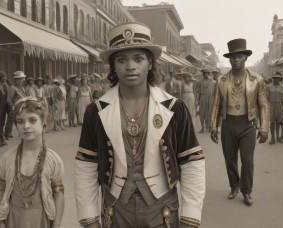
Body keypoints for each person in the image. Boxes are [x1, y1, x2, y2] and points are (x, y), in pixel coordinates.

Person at [75, 22, 205, 228]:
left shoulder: (174, 108)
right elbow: (86, 165)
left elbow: (191, 162)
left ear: (150, 63)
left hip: (161, 210)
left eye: (138, 58)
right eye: (121, 59)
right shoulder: (96, 111)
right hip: (115, 210)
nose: (130, 66)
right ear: (113, 66)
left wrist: (190, 218)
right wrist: (90, 220)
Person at [210, 38, 269, 206]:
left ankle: (246, 191)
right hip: (228, 123)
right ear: (229, 59)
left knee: (247, 160)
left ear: (245, 58)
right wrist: (213, 126)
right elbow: (216, 104)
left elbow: (263, 104)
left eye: (239, 57)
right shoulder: (221, 80)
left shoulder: (256, 79)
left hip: (247, 124)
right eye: (233, 57)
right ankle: (234, 185)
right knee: (230, 159)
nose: (236, 60)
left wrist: (264, 127)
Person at [0, 96, 64, 228]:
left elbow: (59, 194)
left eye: (32, 120)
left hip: (41, 220)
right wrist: (0, 221)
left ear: (44, 123)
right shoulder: (8, 158)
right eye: (20, 122)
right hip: (14, 219)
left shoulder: (52, 160)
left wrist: (56, 224)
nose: (26, 126)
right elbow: (1, 191)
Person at [6, 71, 28, 139]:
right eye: (20, 79)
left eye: (23, 79)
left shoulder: (22, 87)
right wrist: (12, 106)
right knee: (15, 123)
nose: (22, 80)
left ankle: (22, 136)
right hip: (15, 108)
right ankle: (8, 134)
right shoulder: (12, 87)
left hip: (22, 108)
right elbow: (9, 99)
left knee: (22, 123)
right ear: (16, 79)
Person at [266, 72, 283, 144]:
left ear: (280, 79)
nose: (276, 79)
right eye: (274, 78)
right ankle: (272, 138)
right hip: (271, 105)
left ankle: (278, 137)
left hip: (280, 105)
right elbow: (266, 98)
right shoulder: (268, 87)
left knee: (278, 122)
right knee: (272, 122)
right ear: (273, 79)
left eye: (277, 78)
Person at [196, 68, 215, 133]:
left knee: (209, 112)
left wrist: (214, 99)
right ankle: (202, 127)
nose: (205, 75)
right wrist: (197, 100)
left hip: (210, 98)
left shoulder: (212, 81)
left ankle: (209, 127)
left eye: (206, 74)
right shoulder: (200, 81)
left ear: (208, 74)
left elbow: (214, 91)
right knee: (202, 112)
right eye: (204, 74)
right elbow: (198, 91)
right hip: (203, 97)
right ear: (202, 74)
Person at [0, 71, 9, 147]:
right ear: (0, 78)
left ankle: (2, 138)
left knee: (2, 123)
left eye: (6, 76)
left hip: (4, 107)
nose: (5, 78)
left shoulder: (6, 85)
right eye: (4, 77)